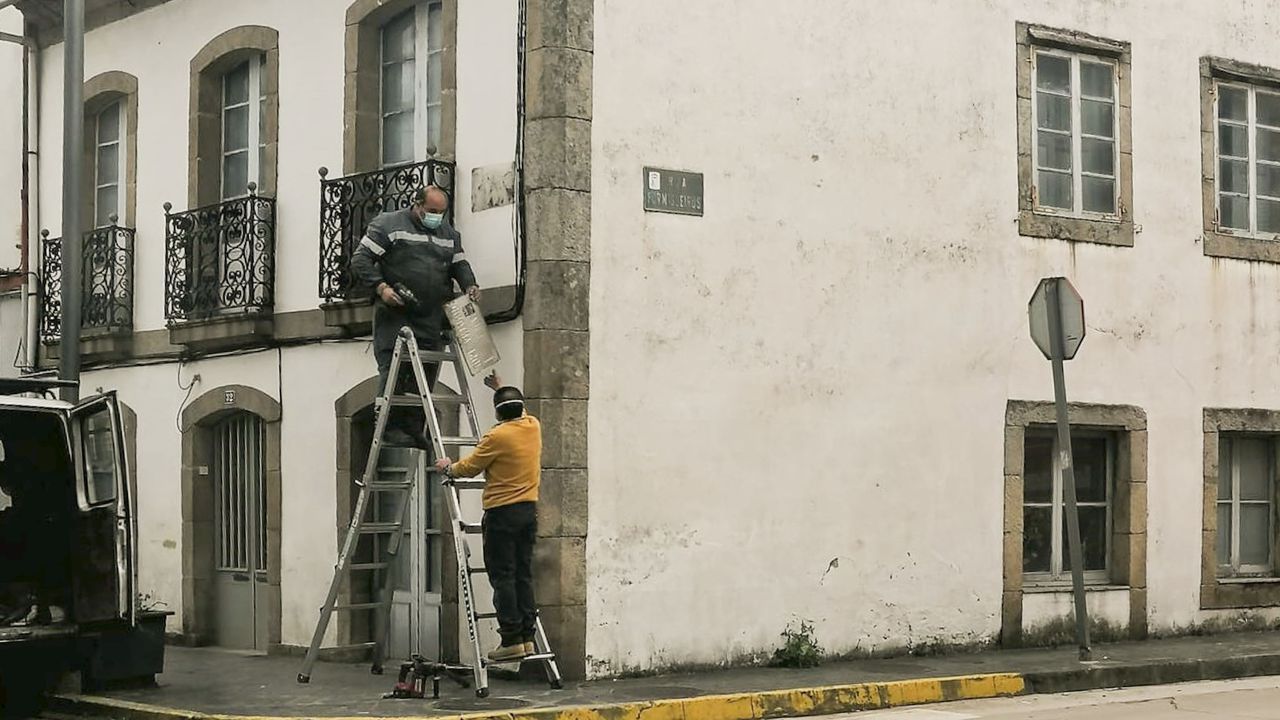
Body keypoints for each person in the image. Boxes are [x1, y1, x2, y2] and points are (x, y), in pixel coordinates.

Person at [350, 185, 481, 448]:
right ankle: (388, 428)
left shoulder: (448, 234)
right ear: (417, 205)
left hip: (433, 317)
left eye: (441, 213)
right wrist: (382, 288)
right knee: (396, 372)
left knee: (426, 374)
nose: (437, 217)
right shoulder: (389, 225)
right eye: (432, 211)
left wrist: (470, 284)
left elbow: (459, 264)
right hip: (398, 315)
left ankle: (413, 427)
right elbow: (360, 260)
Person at [434, 372, 541, 662]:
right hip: (528, 511)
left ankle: (510, 639)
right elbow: (521, 409)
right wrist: (500, 386)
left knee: (502, 575)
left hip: (502, 513)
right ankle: (527, 637)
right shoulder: (532, 426)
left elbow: (469, 467)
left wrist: (447, 467)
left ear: (498, 413)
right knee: (522, 573)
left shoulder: (496, 436)